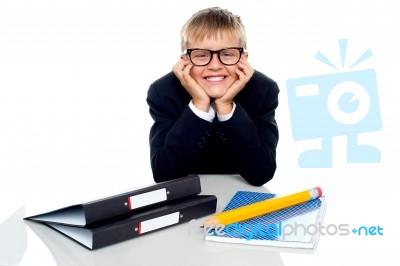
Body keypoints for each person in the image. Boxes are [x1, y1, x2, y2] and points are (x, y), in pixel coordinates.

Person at [146, 7, 279, 186]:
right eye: (201, 55)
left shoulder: (263, 90)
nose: (215, 65)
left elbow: (261, 173)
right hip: (188, 198)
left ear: (243, 59)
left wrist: (225, 105)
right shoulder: (163, 92)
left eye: (227, 54)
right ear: (185, 60)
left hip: (242, 197)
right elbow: (164, 175)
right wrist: (200, 105)